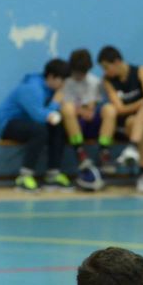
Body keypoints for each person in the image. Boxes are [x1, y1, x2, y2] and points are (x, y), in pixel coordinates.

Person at [0, 58, 72, 192]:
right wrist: (55, 102)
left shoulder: (51, 89)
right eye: (62, 81)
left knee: (58, 127)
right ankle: (24, 177)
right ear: (51, 77)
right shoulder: (32, 88)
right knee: (39, 130)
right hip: (7, 123)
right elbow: (39, 116)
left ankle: (53, 174)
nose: (63, 85)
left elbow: (49, 116)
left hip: (28, 123)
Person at [97, 46, 143, 194]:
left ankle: (142, 171)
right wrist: (140, 103)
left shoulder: (141, 72)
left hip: (138, 122)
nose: (105, 71)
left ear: (117, 62)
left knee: (141, 117)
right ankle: (106, 156)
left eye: (106, 67)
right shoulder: (107, 80)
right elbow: (119, 108)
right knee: (109, 109)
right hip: (120, 124)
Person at [59, 48, 118, 192]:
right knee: (67, 109)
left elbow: (93, 105)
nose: (80, 76)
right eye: (77, 73)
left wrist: (90, 110)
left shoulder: (94, 82)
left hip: (92, 123)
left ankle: (104, 152)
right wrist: (81, 111)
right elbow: (64, 104)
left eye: (83, 73)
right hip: (75, 124)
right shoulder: (65, 83)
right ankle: (80, 153)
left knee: (110, 109)